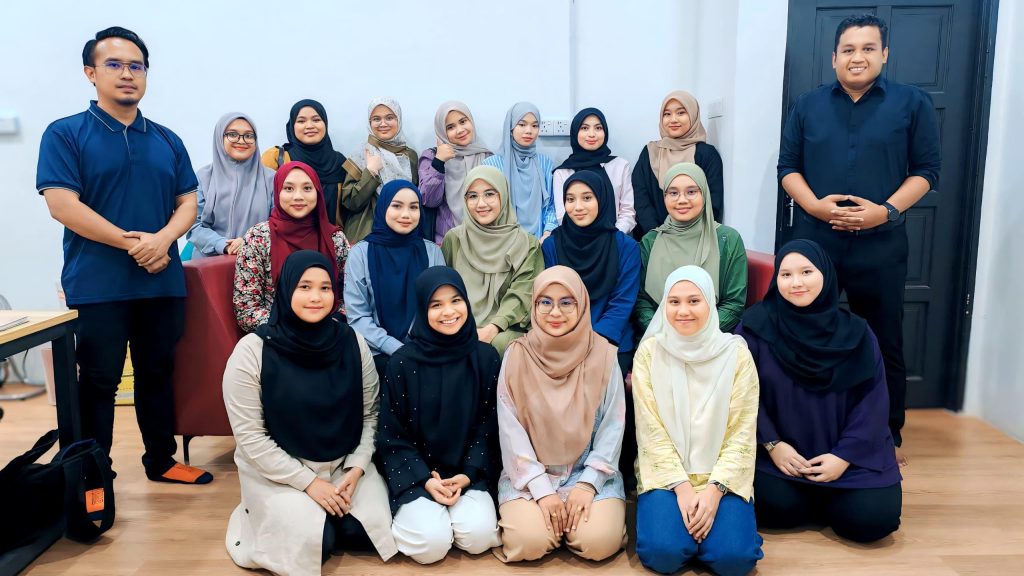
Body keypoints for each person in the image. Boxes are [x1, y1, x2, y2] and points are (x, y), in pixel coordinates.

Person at [37, 26, 211, 484]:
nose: (127, 74)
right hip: (98, 282)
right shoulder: (65, 133)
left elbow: (188, 202)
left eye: (137, 66)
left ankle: (162, 461)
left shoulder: (167, 139)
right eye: (114, 64)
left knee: (158, 371)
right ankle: (92, 474)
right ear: (90, 73)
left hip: (161, 279)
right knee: (99, 380)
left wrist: (163, 239)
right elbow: (62, 205)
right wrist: (135, 243)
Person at [777, 14, 941, 450]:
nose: (857, 57)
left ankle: (885, 435)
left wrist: (884, 212)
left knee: (884, 338)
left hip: (880, 244)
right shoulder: (807, 105)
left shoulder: (911, 103)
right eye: (848, 50)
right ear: (834, 57)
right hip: (816, 243)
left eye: (868, 48)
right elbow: (787, 167)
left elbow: (927, 171)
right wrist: (814, 206)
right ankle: (805, 428)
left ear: (884, 54)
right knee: (805, 332)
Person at [223, 251, 397, 575]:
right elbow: (250, 438)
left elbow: (371, 413)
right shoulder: (252, 352)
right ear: (286, 289)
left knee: (364, 534)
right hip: (280, 473)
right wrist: (309, 482)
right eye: (304, 287)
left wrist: (357, 467)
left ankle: (328, 510)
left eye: (325, 288)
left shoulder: (352, 341)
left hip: (342, 465)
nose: (316, 297)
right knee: (316, 543)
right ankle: (257, 515)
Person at [738, 240, 902, 542]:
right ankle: (820, 502)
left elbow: (873, 401)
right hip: (781, 457)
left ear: (825, 274)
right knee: (775, 510)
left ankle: (830, 499)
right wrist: (772, 444)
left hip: (850, 457)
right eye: (786, 275)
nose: (796, 283)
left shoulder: (858, 333)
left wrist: (844, 456)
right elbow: (742, 394)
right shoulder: (754, 328)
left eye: (806, 272)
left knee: (872, 522)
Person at [633, 266, 763, 576]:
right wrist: (683, 489)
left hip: (722, 476)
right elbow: (650, 430)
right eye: (674, 301)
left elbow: (742, 431)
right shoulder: (650, 353)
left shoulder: (736, 355)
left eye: (694, 301)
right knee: (663, 554)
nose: (683, 311)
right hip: (666, 475)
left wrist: (714, 491)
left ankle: (706, 537)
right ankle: (690, 537)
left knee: (735, 560)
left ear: (710, 303)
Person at [493, 266, 627, 563]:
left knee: (598, 541)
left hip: (588, 473)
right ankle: (554, 525)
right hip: (530, 476)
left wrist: (588, 484)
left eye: (567, 302)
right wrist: (542, 490)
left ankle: (574, 524)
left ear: (582, 305)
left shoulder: (604, 355)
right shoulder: (517, 355)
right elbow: (511, 431)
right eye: (545, 302)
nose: (555, 312)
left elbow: (612, 427)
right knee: (529, 542)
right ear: (534, 305)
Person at [378, 266, 503, 564]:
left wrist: (467, 475)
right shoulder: (402, 363)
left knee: (479, 536)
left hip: (468, 473)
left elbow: (489, 425)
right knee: (430, 544)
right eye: (436, 305)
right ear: (422, 310)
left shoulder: (485, 358)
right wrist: (424, 479)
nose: (448, 311)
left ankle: (451, 513)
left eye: (456, 300)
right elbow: (392, 434)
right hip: (416, 476)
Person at [542, 170, 640, 375]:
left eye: (587, 198)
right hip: (564, 336)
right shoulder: (552, 245)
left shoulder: (626, 247)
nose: (578, 207)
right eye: (570, 199)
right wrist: (571, 338)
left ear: (602, 200)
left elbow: (622, 303)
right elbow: (551, 299)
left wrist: (595, 339)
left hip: (611, 340)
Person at [233, 162, 350, 333]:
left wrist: (331, 323)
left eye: (307, 188)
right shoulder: (258, 237)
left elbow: (351, 297)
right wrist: (292, 330)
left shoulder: (335, 239)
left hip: (329, 333)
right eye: (288, 188)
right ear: (277, 192)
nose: (298, 196)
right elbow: (246, 308)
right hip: (277, 335)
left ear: (318, 192)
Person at [441, 165, 544, 356]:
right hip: (458, 325)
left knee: (501, 345)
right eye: (472, 196)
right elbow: (444, 290)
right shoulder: (454, 239)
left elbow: (522, 293)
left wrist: (494, 327)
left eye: (489, 194)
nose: (481, 204)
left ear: (503, 196)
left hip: (506, 329)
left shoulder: (526, 243)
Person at [344, 180, 444, 374]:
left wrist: (418, 347)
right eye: (397, 206)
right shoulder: (360, 254)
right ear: (383, 208)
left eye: (413, 207)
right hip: (376, 351)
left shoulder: (432, 252)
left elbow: (439, 305)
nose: (406, 214)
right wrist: (395, 348)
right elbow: (358, 317)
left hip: (424, 348)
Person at [634, 163, 747, 334]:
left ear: (704, 194)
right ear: (664, 197)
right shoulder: (651, 241)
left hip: (712, 337)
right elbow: (641, 301)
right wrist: (663, 334)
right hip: (659, 336)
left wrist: (697, 335)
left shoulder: (728, 239)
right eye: (673, 193)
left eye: (691, 192)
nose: (682, 200)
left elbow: (734, 303)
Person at [633, 90, 724, 237]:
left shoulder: (707, 155)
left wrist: (687, 237)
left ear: (693, 115)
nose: (673, 119)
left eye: (681, 113)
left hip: (696, 239)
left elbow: (713, 203)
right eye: (667, 114)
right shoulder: (650, 152)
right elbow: (640, 199)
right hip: (653, 238)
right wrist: (656, 235)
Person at [187, 112, 274, 258]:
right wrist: (224, 245)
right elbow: (193, 225)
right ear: (219, 137)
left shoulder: (271, 179)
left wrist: (249, 241)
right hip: (209, 263)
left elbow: (279, 223)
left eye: (249, 135)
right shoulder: (203, 177)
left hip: (259, 262)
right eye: (232, 134)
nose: (241, 141)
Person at [261, 99, 360, 225]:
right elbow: (261, 202)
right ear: (292, 126)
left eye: (316, 120)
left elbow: (351, 205)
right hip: (286, 234)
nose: (309, 126)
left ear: (325, 124)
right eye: (301, 121)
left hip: (330, 235)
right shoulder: (276, 158)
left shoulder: (340, 162)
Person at [340, 98, 419, 243]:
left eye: (389, 118)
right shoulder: (361, 154)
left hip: (404, 232)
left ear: (399, 120)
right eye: (376, 119)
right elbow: (350, 202)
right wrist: (370, 172)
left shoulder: (410, 156)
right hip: (368, 235)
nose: (383, 124)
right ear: (369, 123)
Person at [418, 100, 493, 243]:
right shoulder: (431, 157)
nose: (460, 130)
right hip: (448, 241)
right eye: (450, 127)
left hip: (483, 240)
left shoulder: (488, 157)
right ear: (442, 131)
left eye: (463, 121)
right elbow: (429, 200)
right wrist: (439, 162)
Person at [552, 107, 636, 234]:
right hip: (575, 240)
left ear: (605, 132)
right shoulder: (562, 173)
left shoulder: (620, 166)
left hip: (614, 238)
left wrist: (613, 237)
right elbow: (562, 215)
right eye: (584, 128)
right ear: (575, 132)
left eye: (598, 128)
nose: (592, 134)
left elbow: (627, 212)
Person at [482, 102, 557, 238]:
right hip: (502, 239)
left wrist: (547, 233)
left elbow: (551, 205)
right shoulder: (491, 165)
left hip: (539, 240)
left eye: (535, 125)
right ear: (510, 127)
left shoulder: (545, 163)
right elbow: (486, 207)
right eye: (522, 124)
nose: (529, 131)